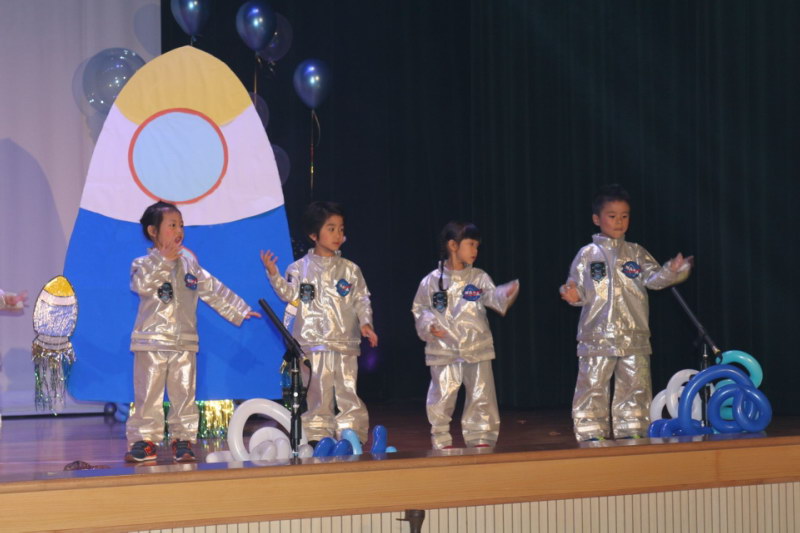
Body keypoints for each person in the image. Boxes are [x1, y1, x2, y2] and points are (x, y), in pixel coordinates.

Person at [126, 201, 260, 462]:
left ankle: (183, 439)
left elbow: (213, 289)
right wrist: (163, 261)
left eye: (181, 225)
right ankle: (145, 440)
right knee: (148, 394)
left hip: (184, 342)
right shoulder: (142, 263)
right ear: (153, 231)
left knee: (184, 394)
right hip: (151, 342)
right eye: (172, 225)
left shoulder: (190, 265)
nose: (179, 231)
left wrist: (240, 309)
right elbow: (141, 285)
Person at [560, 184, 692, 441]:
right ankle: (590, 430)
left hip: (633, 333)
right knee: (593, 383)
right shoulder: (587, 254)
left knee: (635, 383)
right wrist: (572, 294)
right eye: (612, 216)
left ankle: (632, 428)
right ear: (597, 219)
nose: (619, 221)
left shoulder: (636, 252)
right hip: (596, 334)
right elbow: (575, 285)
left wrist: (672, 270)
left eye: (624, 216)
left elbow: (655, 279)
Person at [261, 201, 377, 445]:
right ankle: (317, 438)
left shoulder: (350, 270)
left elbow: (361, 299)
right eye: (331, 229)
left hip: (345, 341)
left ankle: (350, 436)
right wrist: (274, 274)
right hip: (311, 341)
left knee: (347, 390)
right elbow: (289, 294)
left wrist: (366, 323)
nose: (338, 235)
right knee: (317, 393)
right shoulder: (298, 269)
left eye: (341, 229)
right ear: (314, 234)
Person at [412, 221, 519, 449]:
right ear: (453, 245)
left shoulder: (479, 277)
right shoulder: (431, 281)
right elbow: (420, 309)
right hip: (444, 349)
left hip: (476, 347)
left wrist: (505, 292)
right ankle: (441, 438)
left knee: (481, 394)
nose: (475, 251)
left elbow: (493, 297)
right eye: (470, 244)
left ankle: (481, 438)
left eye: (477, 246)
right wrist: (430, 325)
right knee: (442, 395)